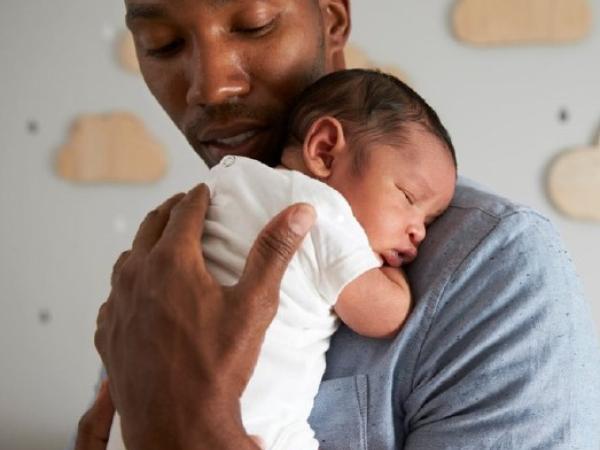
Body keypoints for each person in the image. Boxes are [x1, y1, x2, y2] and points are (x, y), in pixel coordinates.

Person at [75, 1, 600, 449]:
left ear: (331, 20)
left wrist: (197, 433)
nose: (211, 87)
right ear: (322, 148)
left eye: (254, 23)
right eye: (162, 43)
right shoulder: (167, 257)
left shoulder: (494, 266)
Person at [105, 68, 457, 450]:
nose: (418, 231)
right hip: (256, 424)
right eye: (408, 197)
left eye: (428, 220)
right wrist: (394, 274)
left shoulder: (227, 182)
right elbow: (384, 316)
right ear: (324, 150)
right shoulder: (323, 212)